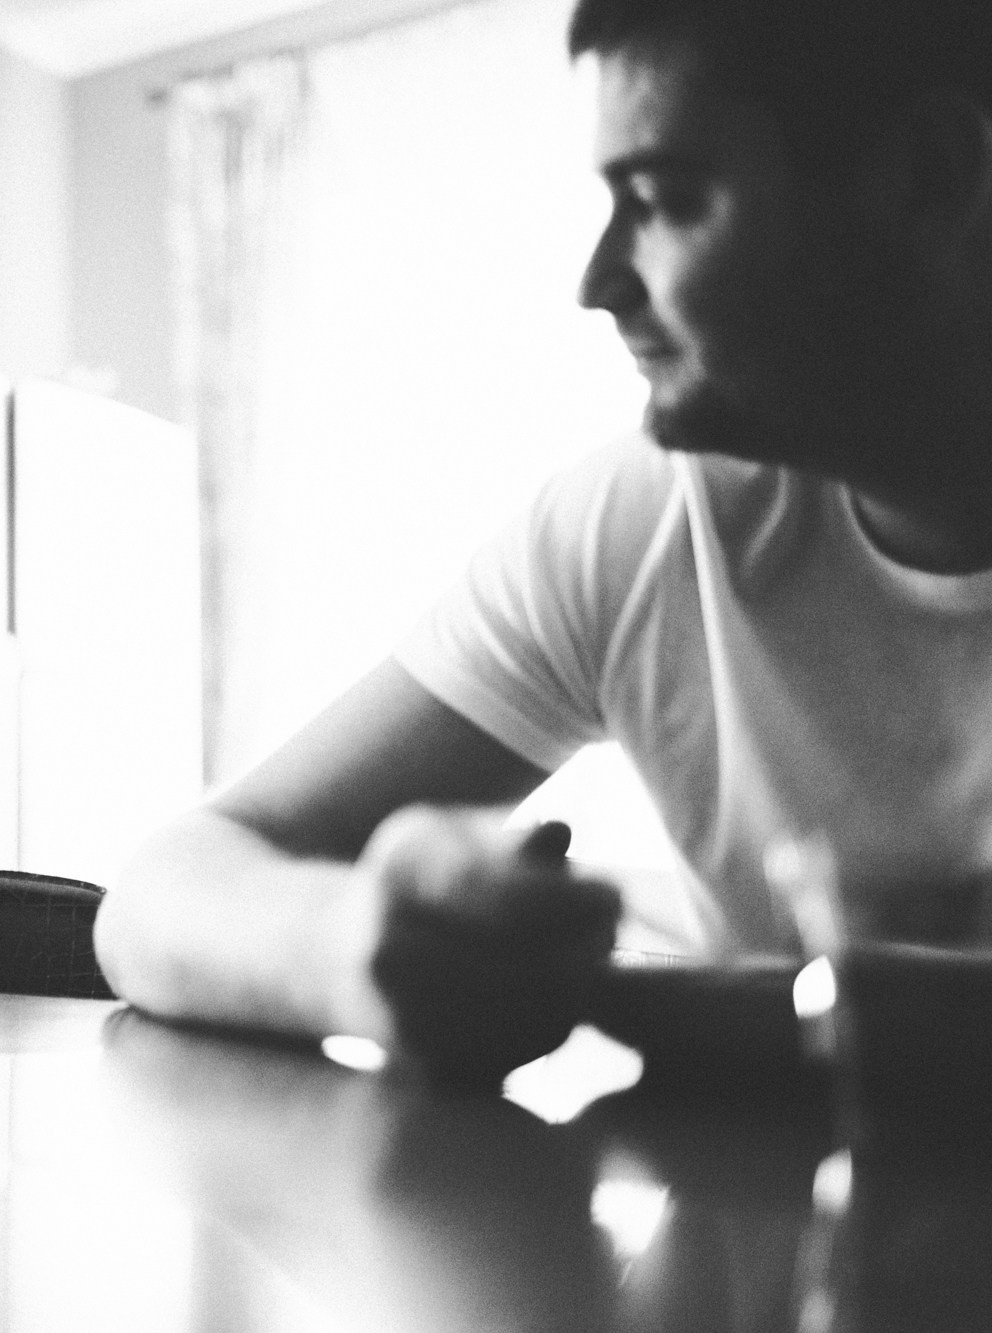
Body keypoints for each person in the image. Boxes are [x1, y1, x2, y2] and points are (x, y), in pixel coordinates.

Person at [96, 0, 992, 1085]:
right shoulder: (653, 521)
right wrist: (355, 946)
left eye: (660, 200)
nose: (597, 283)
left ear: (929, 178)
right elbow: (162, 889)